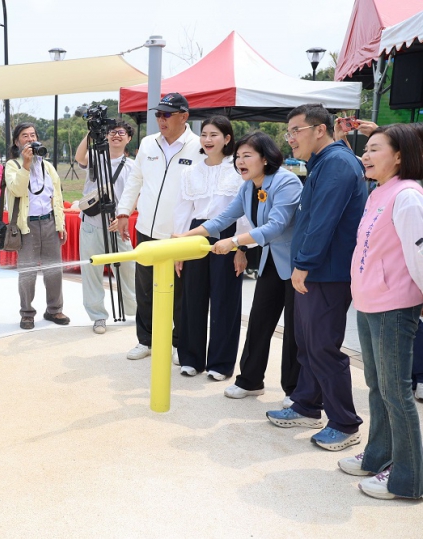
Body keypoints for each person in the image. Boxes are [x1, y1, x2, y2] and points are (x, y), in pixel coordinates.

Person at [265, 104, 367, 450]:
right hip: (316, 269)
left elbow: (323, 220)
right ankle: (307, 404)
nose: (289, 138)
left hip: (327, 272)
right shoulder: (324, 161)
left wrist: (304, 263)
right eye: (288, 131)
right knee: (308, 343)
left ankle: (345, 422)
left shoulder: (337, 163)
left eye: (296, 130)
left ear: (319, 129)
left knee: (323, 346)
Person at [177, 132, 302, 405]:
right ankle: (250, 381)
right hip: (270, 261)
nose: (239, 162)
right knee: (259, 322)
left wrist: (233, 243)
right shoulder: (247, 187)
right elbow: (223, 218)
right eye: (238, 157)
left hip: (297, 265)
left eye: (247, 156)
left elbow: (275, 226)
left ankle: (295, 392)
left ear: (266, 158)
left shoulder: (286, 182)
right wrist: (185, 237)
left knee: (295, 330)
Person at [337, 124, 423, 500]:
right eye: (365, 150)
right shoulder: (380, 192)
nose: (366, 156)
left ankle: (408, 478)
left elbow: (419, 254)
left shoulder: (408, 196)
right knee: (377, 388)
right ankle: (378, 455)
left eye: (374, 150)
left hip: (394, 307)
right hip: (370, 302)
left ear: (400, 156)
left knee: (396, 393)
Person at [115, 93, 202, 361]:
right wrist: (123, 212)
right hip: (146, 229)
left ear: (184, 117)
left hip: (177, 233)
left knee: (179, 292)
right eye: (158, 114)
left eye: (167, 114)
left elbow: (199, 195)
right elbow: (135, 180)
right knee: (144, 289)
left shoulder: (198, 147)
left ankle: (177, 342)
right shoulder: (148, 143)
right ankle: (146, 340)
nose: (161, 120)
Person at [172, 116, 248, 378]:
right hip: (195, 235)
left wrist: (241, 248)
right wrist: (179, 250)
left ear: (227, 139)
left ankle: (220, 364)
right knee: (192, 297)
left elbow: (245, 214)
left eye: (214, 134)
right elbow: (183, 211)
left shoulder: (238, 171)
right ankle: (191, 358)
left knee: (225, 299)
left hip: (228, 235)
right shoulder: (189, 172)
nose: (207, 139)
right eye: (204, 134)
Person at [74, 120, 138, 335]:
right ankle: (98, 316)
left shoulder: (133, 166)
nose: (116, 136)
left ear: (129, 138)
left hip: (117, 226)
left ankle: (136, 310)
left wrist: (123, 215)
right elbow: (79, 157)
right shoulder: (96, 158)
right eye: (112, 132)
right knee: (92, 271)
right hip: (91, 224)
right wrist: (90, 134)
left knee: (129, 268)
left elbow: (136, 194)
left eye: (121, 133)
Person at [4, 122, 69, 330]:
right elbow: (16, 189)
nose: (30, 139)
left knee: (54, 270)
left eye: (33, 135)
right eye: (25, 136)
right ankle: (27, 313)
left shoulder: (47, 165)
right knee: (27, 272)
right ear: (17, 141)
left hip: (49, 221)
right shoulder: (13, 165)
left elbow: (56, 196)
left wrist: (61, 224)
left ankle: (54, 310)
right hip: (27, 226)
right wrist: (25, 164)